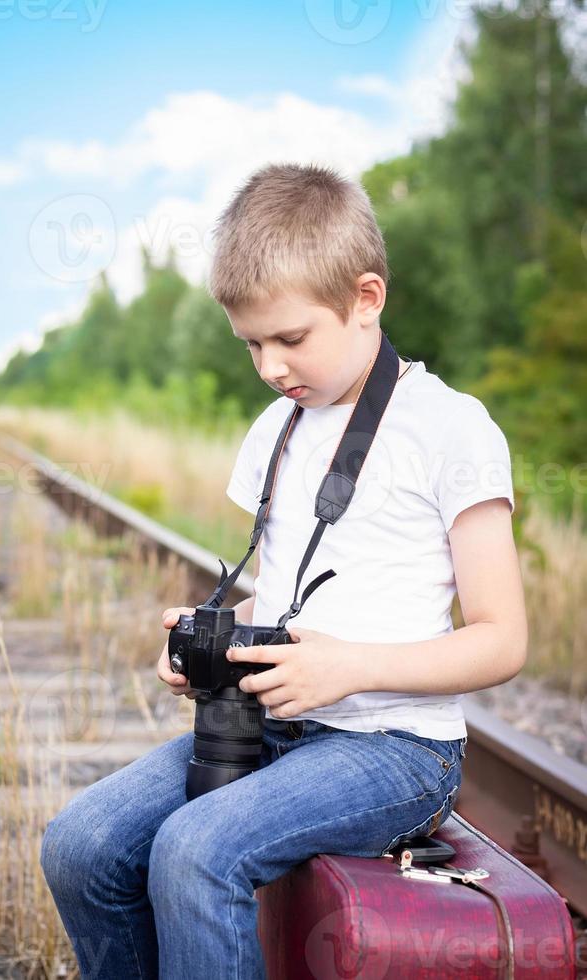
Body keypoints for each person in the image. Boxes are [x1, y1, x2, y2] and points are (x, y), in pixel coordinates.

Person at [40, 162, 528, 979]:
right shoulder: (277, 427)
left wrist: (350, 667)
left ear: (366, 299)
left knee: (196, 853)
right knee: (80, 845)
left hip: (396, 748)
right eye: (252, 344)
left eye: (290, 339)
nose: (270, 366)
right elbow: (283, 590)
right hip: (268, 725)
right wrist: (211, 645)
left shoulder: (452, 429)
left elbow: (503, 640)